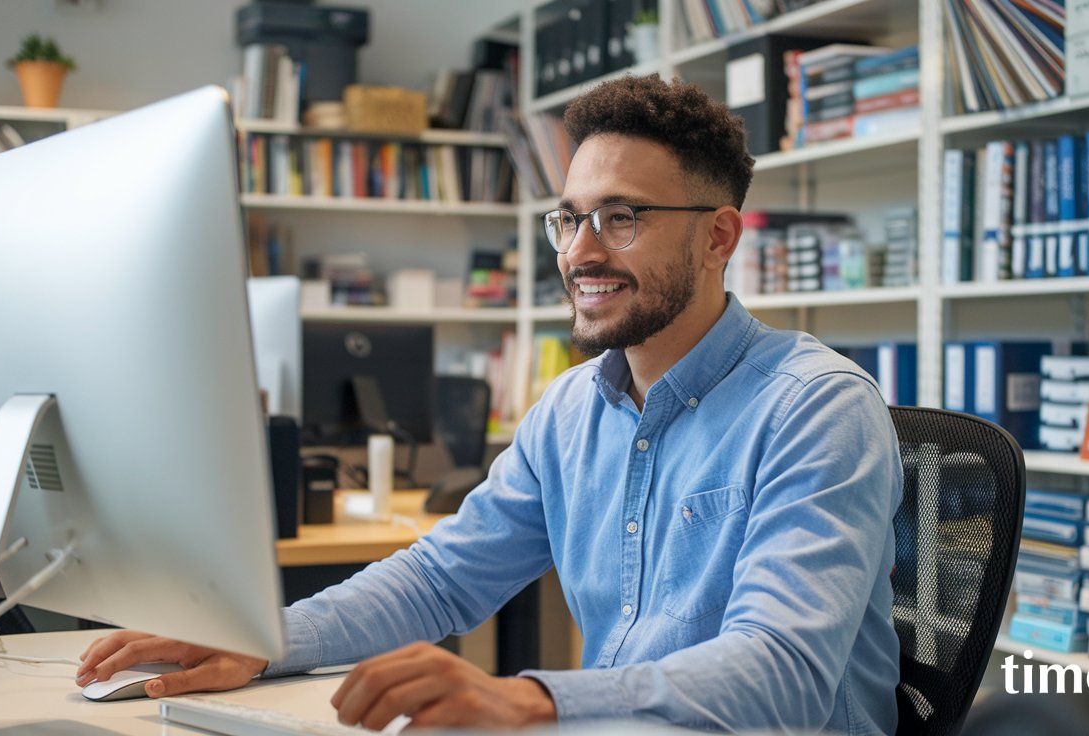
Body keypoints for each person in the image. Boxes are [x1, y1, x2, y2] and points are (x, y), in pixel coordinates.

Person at [77, 74, 904, 733]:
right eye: (571, 219)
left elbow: (784, 676)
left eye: (622, 219)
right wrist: (262, 644)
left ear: (719, 236)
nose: (580, 253)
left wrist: (529, 699)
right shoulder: (572, 408)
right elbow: (441, 580)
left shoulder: (818, 408)